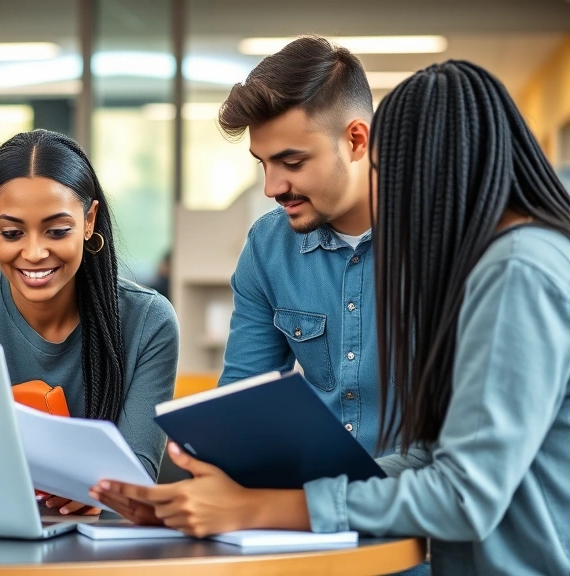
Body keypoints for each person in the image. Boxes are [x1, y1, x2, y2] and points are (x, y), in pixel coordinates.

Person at [92, 60, 570, 575]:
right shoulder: (499, 263)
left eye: (392, 172)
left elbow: (461, 494)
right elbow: (436, 460)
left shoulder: (515, 271)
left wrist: (263, 507)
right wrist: (209, 501)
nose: (389, 195)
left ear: (437, 169)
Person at [0, 129, 179, 515]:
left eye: (57, 231)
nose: (34, 252)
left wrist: (100, 493)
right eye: (12, 232)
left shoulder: (147, 321)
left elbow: (133, 486)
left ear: (89, 221)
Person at [215, 36, 383, 455]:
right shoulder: (268, 246)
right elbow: (243, 403)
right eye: (263, 163)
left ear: (356, 141)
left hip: (419, 509)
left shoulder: (443, 241)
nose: (273, 187)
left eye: (292, 163)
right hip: (302, 505)